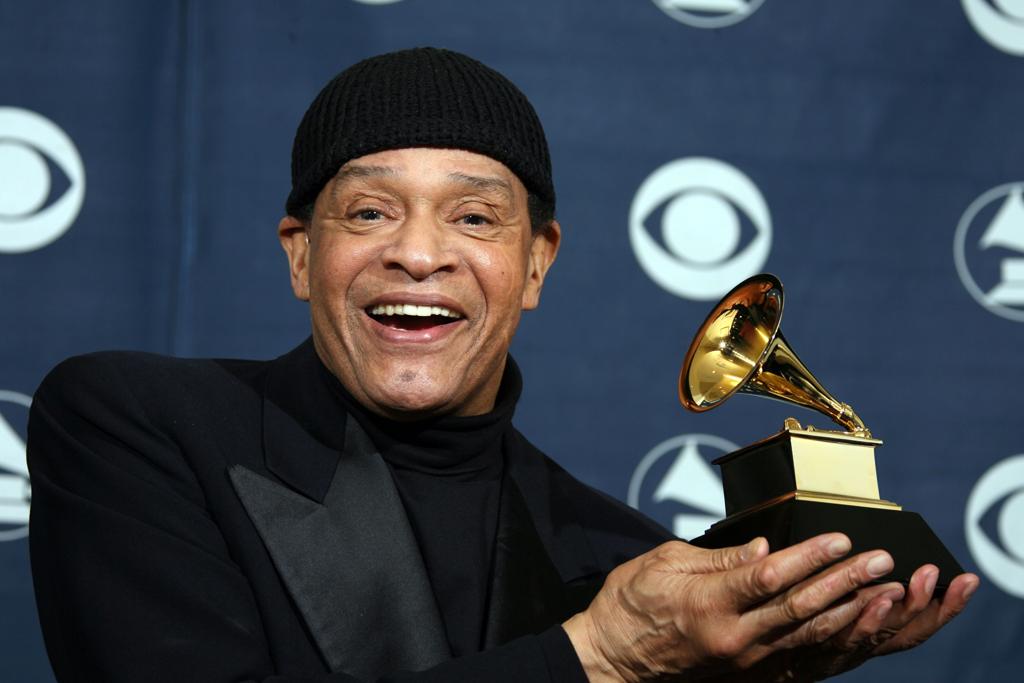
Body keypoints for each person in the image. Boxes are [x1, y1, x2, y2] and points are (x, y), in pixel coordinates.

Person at [27, 47, 977, 683]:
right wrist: (596, 656)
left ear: (535, 265)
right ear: (300, 254)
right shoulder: (135, 422)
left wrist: (747, 672)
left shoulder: (622, 556)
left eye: (475, 216)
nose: (418, 253)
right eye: (369, 212)